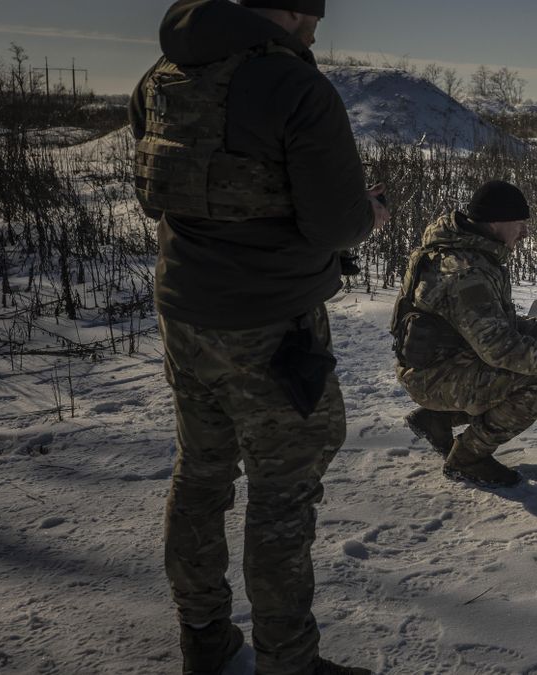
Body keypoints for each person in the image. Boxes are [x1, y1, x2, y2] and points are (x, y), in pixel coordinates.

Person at [129, 1, 388, 673]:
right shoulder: (295, 86)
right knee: (282, 496)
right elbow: (335, 224)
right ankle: (289, 662)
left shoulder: (164, 74)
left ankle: (205, 636)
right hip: (271, 327)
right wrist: (371, 215)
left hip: (185, 312)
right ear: (290, 11)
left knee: (201, 475)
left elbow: (156, 192)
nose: (316, 28)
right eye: (312, 15)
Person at [391, 181, 537, 487]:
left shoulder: (467, 252)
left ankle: (437, 421)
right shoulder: (466, 272)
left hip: (441, 365)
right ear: (496, 222)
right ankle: (468, 458)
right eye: (520, 224)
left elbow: (494, 324)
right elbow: (500, 349)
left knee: (530, 360)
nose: (524, 233)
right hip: (433, 377)